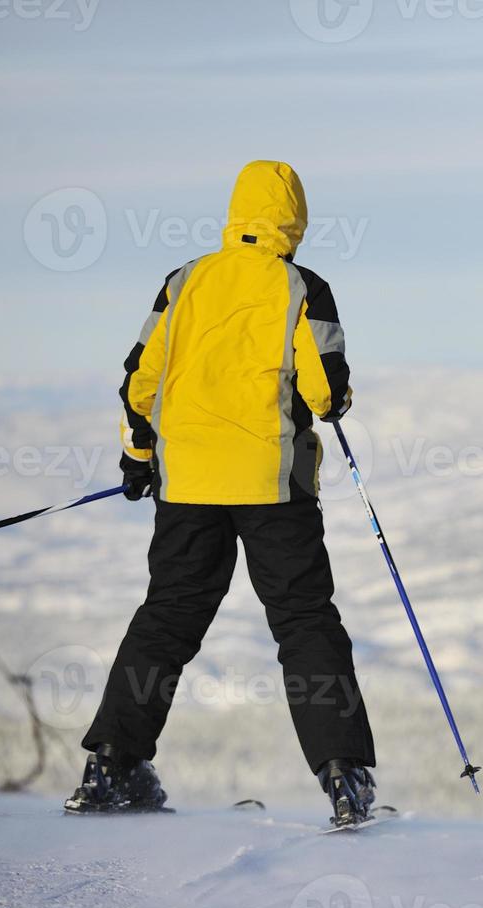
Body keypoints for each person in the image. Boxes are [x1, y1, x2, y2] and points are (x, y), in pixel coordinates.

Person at [65, 161, 378, 827]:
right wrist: (340, 396)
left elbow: (139, 382)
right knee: (303, 622)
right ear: (295, 217)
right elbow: (325, 389)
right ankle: (344, 777)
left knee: (168, 616)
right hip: (273, 485)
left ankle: (110, 766)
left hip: (189, 486)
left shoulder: (184, 281)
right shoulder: (302, 285)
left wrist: (138, 456)